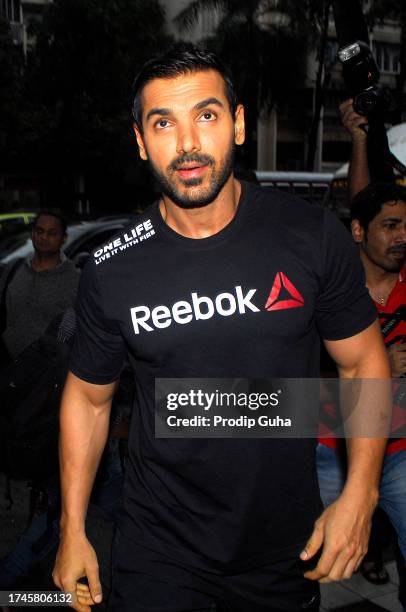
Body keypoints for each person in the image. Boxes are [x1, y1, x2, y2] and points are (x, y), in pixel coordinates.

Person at [52, 44, 391, 612]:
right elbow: (87, 400)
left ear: (236, 125)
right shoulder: (112, 268)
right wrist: (72, 529)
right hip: (158, 549)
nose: (186, 144)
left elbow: (363, 362)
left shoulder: (310, 237)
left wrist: (361, 490)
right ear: (141, 141)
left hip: (282, 549)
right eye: (163, 123)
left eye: (205, 115)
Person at [318, 98, 406, 610]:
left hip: (398, 452)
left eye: (405, 227)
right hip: (331, 446)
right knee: (312, 557)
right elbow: (364, 204)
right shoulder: (341, 285)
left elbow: (373, 209)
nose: (401, 238)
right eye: (390, 228)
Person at [0, 210, 80, 362]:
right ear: (32, 234)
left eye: (52, 233)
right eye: (39, 231)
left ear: (64, 238)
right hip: (7, 365)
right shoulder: (14, 268)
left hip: (48, 373)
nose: (44, 237)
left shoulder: (75, 279)